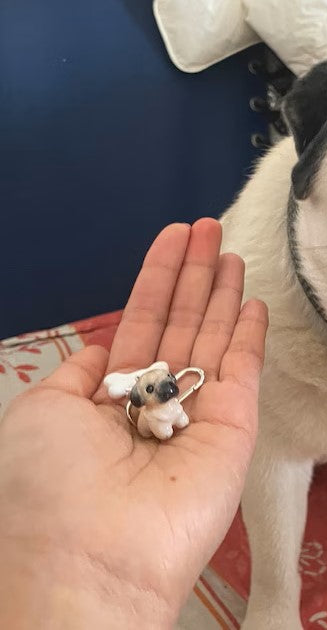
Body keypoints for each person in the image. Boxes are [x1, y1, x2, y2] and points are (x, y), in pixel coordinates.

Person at [0, 219, 269, 629]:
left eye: (167, 384)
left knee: (173, 418)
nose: (167, 389)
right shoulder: (144, 405)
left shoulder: (169, 394)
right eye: (158, 388)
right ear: (142, 396)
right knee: (164, 424)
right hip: (152, 425)